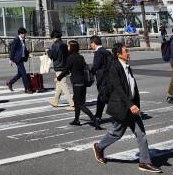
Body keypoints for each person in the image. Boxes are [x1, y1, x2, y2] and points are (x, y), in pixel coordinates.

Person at [92, 43, 161, 173]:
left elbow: (131, 87)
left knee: (140, 133)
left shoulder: (127, 67)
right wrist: (131, 105)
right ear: (119, 54)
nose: (128, 53)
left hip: (131, 107)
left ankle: (145, 162)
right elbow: (119, 89)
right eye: (126, 51)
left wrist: (135, 105)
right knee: (117, 133)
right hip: (121, 107)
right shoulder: (114, 67)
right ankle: (98, 147)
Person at [59, 40, 99, 128]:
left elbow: (66, 70)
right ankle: (76, 120)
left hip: (77, 83)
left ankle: (94, 120)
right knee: (77, 103)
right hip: (83, 83)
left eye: (69, 46)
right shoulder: (81, 57)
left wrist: (58, 78)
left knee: (80, 104)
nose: (68, 48)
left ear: (72, 48)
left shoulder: (70, 58)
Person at [47, 30, 74, 110]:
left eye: (52, 38)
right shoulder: (64, 44)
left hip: (59, 67)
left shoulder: (55, 45)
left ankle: (72, 104)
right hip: (65, 66)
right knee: (59, 84)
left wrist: (48, 51)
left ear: (54, 37)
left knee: (63, 85)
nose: (52, 39)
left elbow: (53, 56)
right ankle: (55, 101)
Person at [89, 35, 112, 125]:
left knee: (105, 97)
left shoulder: (98, 53)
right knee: (101, 98)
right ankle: (98, 116)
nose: (90, 45)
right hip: (109, 77)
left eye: (91, 43)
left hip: (102, 78)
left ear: (94, 43)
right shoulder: (106, 51)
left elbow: (96, 66)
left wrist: (91, 73)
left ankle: (124, 112)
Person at [6, 27, 32, 93]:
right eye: (24, 34)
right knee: (24, 73)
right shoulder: (16, 40)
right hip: (17, 59)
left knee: (20, 74)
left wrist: (28, 53)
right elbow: (12, 50)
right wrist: (11, 59)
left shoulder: (22, 40)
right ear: (20, 34)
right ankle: (27, 88)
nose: (25, 35)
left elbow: (24, 49)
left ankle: (10, 83)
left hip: (21, 58)